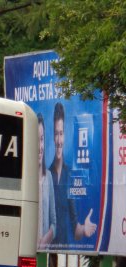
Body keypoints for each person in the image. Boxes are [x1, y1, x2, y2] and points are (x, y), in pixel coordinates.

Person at [49, 102, 96, 246]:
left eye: (61, 134)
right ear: (53, 136)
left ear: (65, 136)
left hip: (63, 249)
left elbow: (76, 230)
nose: (59, 140)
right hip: (45, 251)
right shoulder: (46, 176)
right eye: (56, 134)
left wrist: (84, 229)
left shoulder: (69, 174)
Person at [37, 113, 56, 249]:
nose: (40, 146)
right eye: (36, 139)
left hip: (44, 251)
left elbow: (54, 222)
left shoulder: (48, 176)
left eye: (42, 139)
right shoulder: (23, 176)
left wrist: (45, 240)